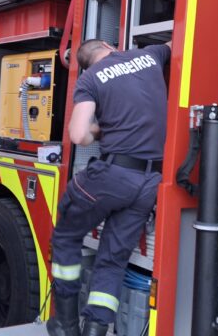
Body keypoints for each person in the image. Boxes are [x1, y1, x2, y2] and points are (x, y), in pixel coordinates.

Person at [47, 39, 170, 336]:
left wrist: (96, 131)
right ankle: (96, 329)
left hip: (114, 176)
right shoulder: (149, 55)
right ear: (109, 45)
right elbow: (179, 38)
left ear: (87, 64)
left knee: (65, 237)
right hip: (150, 180)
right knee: (113, 259)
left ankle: (64, 324)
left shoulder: (90, 78)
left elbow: (77, 135)